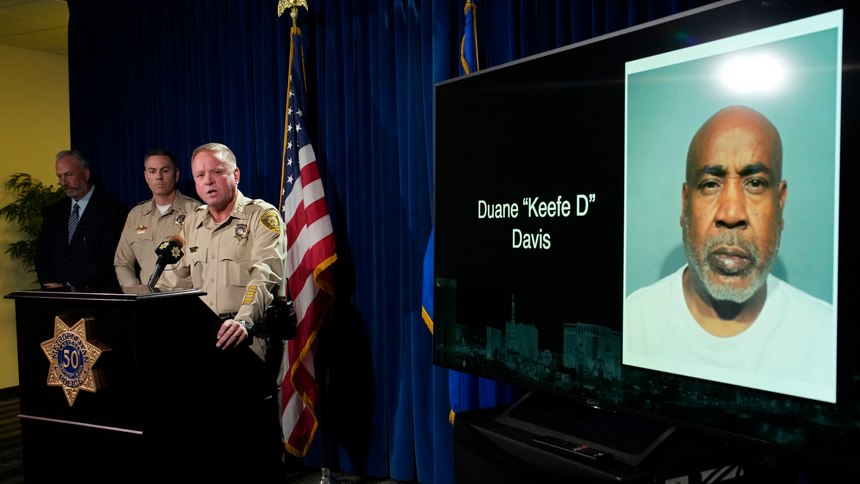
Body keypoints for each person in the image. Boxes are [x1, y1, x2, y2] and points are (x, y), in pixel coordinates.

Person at [625, 105, 835, 400]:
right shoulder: (633, 322)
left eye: (755, 183)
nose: (732, 213)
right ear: (685, 205)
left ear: (780, 203)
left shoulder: (827, 337)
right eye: (711, 184)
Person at [178, 142, 287, 481]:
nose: (208, 181)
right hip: (203, 345)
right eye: (200, 175)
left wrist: (243, 320)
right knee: (212, 439)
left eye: (216, 172)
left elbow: (265, 274)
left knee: (252, 440)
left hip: (248, 341)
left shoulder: (261, 216)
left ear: (235, 175)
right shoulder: (191, 223)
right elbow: (174, 279)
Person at [35, 150, 127, 292]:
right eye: (59, 176)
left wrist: (71, 285)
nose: (63, 182)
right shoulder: (53, 212)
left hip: (95, 294)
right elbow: (42, 254)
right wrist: (50, 283)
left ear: (86, 174)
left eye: (69, 175)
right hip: (56, 295)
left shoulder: (112, 209)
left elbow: (108, 257)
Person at [114, 148, 201, 290]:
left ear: (176, 175)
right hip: (146, 300)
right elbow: (122, 262)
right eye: (152, 171)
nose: (158, 177)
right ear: (146, 176)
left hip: (182, 298)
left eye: (165, 171)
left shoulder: (195, 212)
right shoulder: (136, 215)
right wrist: (134, 289)